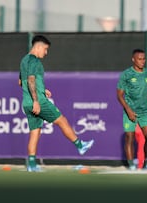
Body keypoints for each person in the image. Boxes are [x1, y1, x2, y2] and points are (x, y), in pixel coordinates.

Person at [19, 35, 94, 172]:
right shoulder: (34, 61)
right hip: (38, 102)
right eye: (45, 49)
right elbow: (30, 80)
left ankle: (31, 165)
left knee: (35, 132)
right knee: (62, 120)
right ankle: (80, 145)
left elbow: (20, 82)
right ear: (38, 46)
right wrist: (36, 100)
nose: (46, 53)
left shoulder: (24, 60)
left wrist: (42, 89)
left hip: (27, 103)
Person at [117, 48, 147, 170]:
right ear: (133, 60)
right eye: (139, 59)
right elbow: (119, 95)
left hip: (145, 111)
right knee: (129, 137)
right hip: (130, 111)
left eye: (144, 59)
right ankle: (131, 165)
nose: (142, 61)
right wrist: (128, 110)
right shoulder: (126, 74)